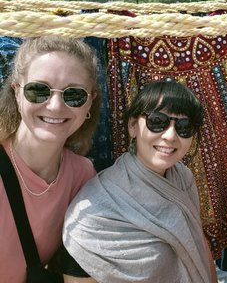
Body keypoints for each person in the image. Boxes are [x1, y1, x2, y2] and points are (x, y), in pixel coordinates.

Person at [62, 81, 218, 283]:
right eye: (158, 121)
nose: (170, 136)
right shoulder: (96, 208)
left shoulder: (182, 177)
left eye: (184, 127)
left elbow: (196, 240)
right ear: (133, 126)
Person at [0, 36, 101, 282]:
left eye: (73, 94)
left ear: (89, 102)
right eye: (38, 90)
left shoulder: (82, 174)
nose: (55, 106)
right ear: (17, 93)